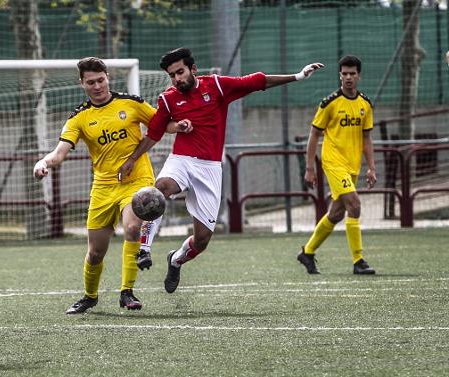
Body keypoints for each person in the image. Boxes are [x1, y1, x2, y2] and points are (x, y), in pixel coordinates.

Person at [118, 47, 323, 293]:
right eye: (172, 75)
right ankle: (144, 248)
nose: (177, 79)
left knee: (202, 240)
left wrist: (298, 76)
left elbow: (255, 82)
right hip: (181, 160)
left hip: (210, 168)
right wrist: (132, 159)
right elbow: (154, 133)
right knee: (159, 191)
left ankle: (175, 260)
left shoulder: (216, 85)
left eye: (180, 72)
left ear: (193, 69)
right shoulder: (167, 99)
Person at [34, 57, 188, 314]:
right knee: (95, 253)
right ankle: (89, 296)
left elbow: (161, 125)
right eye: (91, 82)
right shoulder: (79, 118)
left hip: (136, 182)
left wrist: (179, 126)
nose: (97, 86)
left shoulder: (131, 103)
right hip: (103, 188)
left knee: (131, 227)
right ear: (82, 84)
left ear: (108, 77)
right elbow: (59, 153)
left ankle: (127, 292)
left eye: (101, 80)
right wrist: (44, 162)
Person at [297, 55, 376, 275]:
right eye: (344, 74)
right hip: (333, 162)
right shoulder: (329, 103)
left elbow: (367, 138)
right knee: (355, 205)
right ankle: (358, 260)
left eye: (352, 73)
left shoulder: (366, 104)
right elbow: (313, 135)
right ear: (340, 75)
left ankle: (308, 252)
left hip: (353, 165)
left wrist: (371, 167)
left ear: (359, 75)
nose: (348, 77)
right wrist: (310, 168)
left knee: (336, 214)